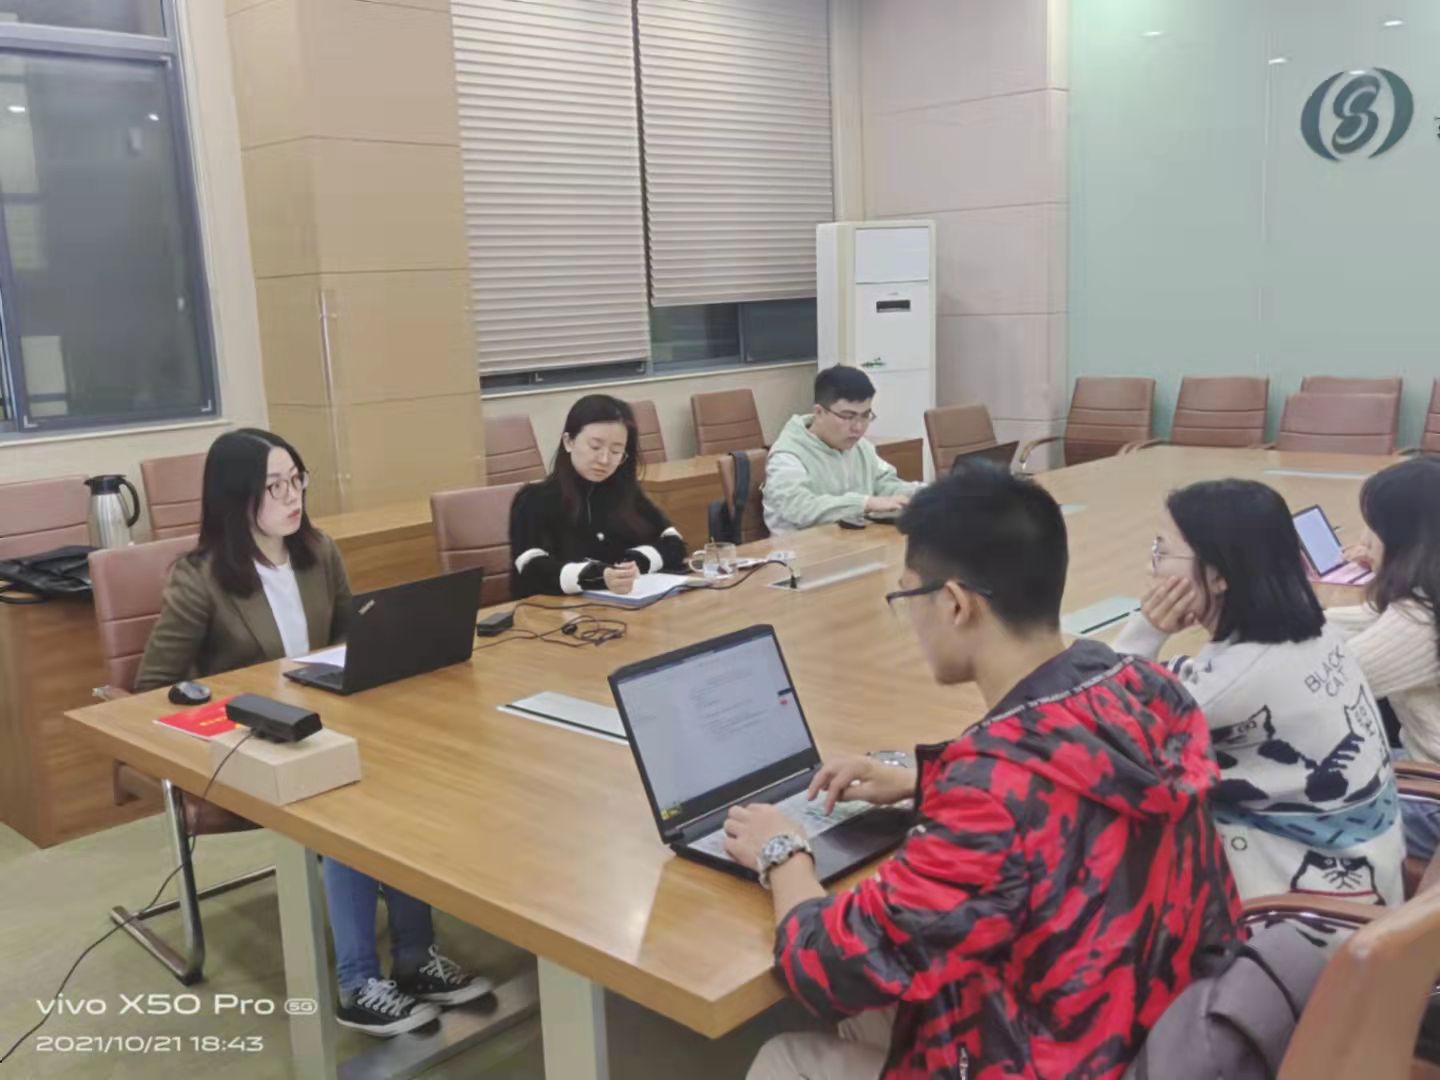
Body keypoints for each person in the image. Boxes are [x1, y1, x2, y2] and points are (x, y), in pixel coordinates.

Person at [729, 462, 1238, 1079]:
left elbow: (826, 968)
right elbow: (1057, 775)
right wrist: (926, 781)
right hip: (1152, 1025)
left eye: (906, 597)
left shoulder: (991, 792)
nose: (909, 619)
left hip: (1052, 1054)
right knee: (881, 1014)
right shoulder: (1151, 688)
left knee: (783, 1057)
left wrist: (783, 852)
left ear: (954, 603)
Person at [137, 428, 490, 1036]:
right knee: (347, 809)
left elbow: (351, 637)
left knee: (398, 786)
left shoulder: (318, 551)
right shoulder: (199, 577)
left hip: (324, 721)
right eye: (274, 486)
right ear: (236, 497)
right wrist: (238, 700)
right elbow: (155, 685)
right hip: (249, 741)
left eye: (296, 479)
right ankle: (358, 984)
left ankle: (414, 957)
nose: (292, 496)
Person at [1114, 479, 1404, 909]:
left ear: (1218, 576)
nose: (1151, 568)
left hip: (1303, 916)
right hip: (1370, 875)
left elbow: (1102, 718)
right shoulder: (1315, 632)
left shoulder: (1226, 689)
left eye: (1162, 550)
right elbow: (1194, 681)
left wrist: (1146, 630)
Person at [1328, 456, 1440, 858]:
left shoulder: (1421, 619)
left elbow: (1321, 686)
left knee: (1275, 805)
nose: (1366, 538)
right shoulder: (1428, 597)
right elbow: (1360, 620)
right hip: (1421, 769)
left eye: (1374, 526)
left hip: (1431, 799)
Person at [508, 394, 686, 598]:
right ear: (569, 441)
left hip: (623, 607)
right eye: (595, 447)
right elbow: (531, 568)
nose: (604, 460)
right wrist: (597, 577)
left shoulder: (626, 493)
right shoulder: (534, 499)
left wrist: (637, 562)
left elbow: (674, 542)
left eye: (616, 451)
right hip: (558, 611)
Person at [762, 366, 920, 535]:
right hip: (800, 548)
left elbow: (885, 483)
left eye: (865, 416)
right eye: (848, 417)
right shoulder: (788, 455)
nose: (858, 427)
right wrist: (865, 503)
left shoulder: (860, 447)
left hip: (853, 542)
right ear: (819, 412)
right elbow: (800, 508)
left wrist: (922, 494)